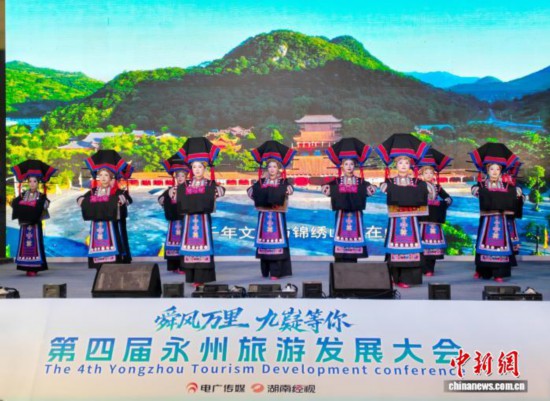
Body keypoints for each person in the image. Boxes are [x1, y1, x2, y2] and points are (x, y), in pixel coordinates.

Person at [376, 133, 430, 288]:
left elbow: (430, 192)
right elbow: (384, 189)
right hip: (396, 220)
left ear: (411, 165)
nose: (404, 165)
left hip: (412, 220)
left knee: (411, 246)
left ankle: (407, 278)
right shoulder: (389, 182)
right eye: (400, 163)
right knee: (395, 246)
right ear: (396, 165)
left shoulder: (418, 182)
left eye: (407, 162)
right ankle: (395, 277)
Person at [469, 143, 522, 281]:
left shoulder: (507, 185)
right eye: (491, 168)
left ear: (501, 170)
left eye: (497, 169)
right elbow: (475, 191)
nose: (494, 171)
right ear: (487, 170)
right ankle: (482, 271)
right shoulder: (481, 185)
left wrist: (517, 193)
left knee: (501, 245)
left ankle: (499, 273)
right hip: (487, 220)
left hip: (501, 220)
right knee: (483, 243)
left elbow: (517, 193)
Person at [177, 137, 225, 286]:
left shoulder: (209, 184)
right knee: (189, 246)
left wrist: (217, 191)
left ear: (204, 169)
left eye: (200, 167)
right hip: (189, 221)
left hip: (203, 220)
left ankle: (202, 278)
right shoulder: (185, 185)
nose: (197, 170)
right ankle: (191, 276)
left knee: (203, 245)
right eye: (194, 167)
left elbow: (221, 191)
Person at [321, 138, 377, 263]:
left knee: (355, 242)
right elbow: (325, 189)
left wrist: (371, 188)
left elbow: (370, 190)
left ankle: (353, 264)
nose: (349, 167)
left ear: (355, 165)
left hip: (356, 215)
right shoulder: (336, 181)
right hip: (341, 215)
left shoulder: (360, 181)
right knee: (340, 239)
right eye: (346, 164)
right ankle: (339, 265)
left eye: (351, 164)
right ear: (342, 165)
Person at [77, 150, 133, 269]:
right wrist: (81, 200)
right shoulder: (93, 191)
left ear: (111, 177)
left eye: (106, 175)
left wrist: (121, 200)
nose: (103, 178)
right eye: (100, 175)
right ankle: (99, 265)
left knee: (115, 245)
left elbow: (127, 199)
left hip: (112, 227)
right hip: (97, 227)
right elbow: (81, 199)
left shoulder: (117, 191)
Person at [248, 140, 296, 279]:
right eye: (269, 166)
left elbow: (290, 190)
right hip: (264, 217)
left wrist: (269, 192)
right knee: (264, 244)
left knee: (277, 244)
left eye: (274, 166)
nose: (272, 169)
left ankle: (276, 271)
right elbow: (251, 192)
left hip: (277, 218)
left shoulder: (283, 182)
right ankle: (265, 270)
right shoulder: (261, 182)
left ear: (279, 168)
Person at [11, 160, 56, 276]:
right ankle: (25, 266)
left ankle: (35, 267)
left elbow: (45, 205)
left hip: (35, 225)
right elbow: (14, 204)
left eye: (34, 181)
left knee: (36, 244)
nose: (32, 184)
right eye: (30, 181)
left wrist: (39, 204)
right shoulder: (23, 195)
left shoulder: (41, 196)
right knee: (24, 244)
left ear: (38, 182)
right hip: (24, 226)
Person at [417, 148, 453, 276]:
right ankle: (421, 268)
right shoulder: (418, 185)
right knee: (421, 245)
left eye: (431, 172)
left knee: (433, 247)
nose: (429, 175)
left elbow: (448, 198)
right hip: (422, 220)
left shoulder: (437, 187)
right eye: (426, 172)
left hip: (434, 219)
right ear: (421, 173)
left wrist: (442, 204)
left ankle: (430, 269)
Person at [158, 154, 189, 274]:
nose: (180, 178)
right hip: (173, 222)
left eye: (182, 175)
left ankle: (183, 266)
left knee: (184, 243)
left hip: (185, 221)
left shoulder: (189, 189)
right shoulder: (171, 190)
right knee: (173, 243)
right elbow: (161, 199)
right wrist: (166, 201)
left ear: (186, 176)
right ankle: (173, 266)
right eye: (178, 175)